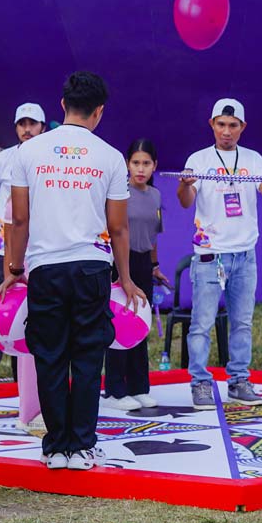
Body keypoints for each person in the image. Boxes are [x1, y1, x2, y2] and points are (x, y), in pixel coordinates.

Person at [0, 71, 145, 471]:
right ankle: (82, 446)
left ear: (62, 106)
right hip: (93, 269)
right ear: (99, 112)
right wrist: (126, 278)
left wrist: (13, 267)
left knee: (48, 356)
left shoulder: (28, 153)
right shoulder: (110, 156)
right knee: (85, 356)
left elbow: (19, 219)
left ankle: (56, 447)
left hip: (44, 269)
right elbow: (118, 227)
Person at [177, 98, 262, 409]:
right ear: (212, 124)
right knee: (202, 323)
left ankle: (239, 380)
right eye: (221, 125)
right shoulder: (198, 160)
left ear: (242, 128)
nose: (226, 131)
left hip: (244, 253)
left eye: (233, 125)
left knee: (243, 322)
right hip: (210, 254)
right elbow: (186, 201)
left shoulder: (253, 159)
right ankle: (200, 383)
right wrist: (185, 185)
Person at [0, 102, 45, 386]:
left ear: (41, 126)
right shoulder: (2, 160)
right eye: (22, 124)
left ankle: (25, 376)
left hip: (39, 247)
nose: (27, 129)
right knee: (2, 306)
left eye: (32, 123)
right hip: (6, 248)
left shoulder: (47, 160)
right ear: (16, 127)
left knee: (37, 309)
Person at [103, 138, 168, 410]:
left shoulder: (155, 196)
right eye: (135, 163)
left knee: (140, 324)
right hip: (119, 263)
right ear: (127, 164)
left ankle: (139, 387)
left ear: (154, 166)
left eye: (146, 163)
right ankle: (115, 392)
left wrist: (154, 266)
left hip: (142, 264)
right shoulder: (119, 192)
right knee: (118, 325)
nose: (140, 169)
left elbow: (153, 236)